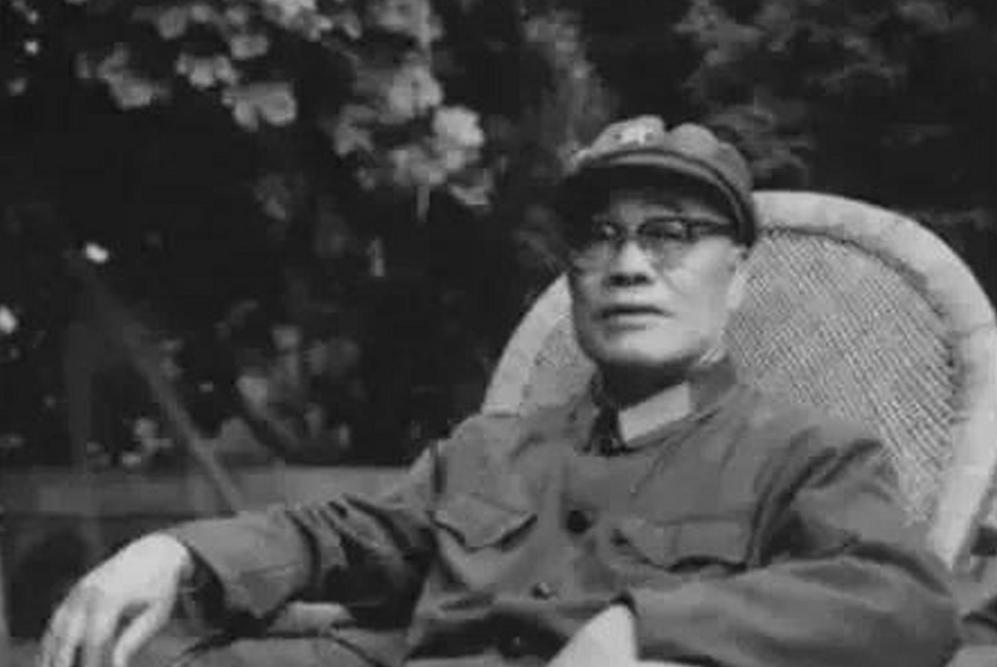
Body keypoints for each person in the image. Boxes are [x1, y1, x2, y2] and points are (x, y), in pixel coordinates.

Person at [38, 116, 961, 667]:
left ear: (740, 277)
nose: (627, 264)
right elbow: (339, 534)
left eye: (670, 233)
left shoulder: (804, 454)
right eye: (598, 237)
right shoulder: (490, 450)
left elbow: (901, 600)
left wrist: (642, 626)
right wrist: (172, 551)